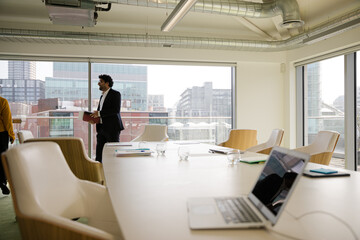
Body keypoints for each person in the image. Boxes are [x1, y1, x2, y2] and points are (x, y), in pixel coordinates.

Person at [90, 74, 124, 163]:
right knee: (99, 153)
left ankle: (114, 171)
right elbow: (100, 112)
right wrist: (95, 119)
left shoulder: (116, 94)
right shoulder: (102, 96)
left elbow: (115, 110)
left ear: (107, 83)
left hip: (112, 128)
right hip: (101, 128)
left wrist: (99, 113)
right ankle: (98, 173)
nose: (98, 84)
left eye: (101, 82)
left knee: (113, 151)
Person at [0, 96, 15, 195]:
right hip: (1, 135)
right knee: (2, 159)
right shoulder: (2, 101)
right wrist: (11, 134)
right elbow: (7, 120)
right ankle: (2, 183)